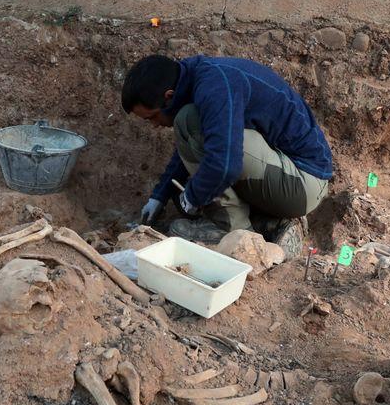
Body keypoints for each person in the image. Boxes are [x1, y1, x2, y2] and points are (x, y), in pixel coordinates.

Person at [122, 54, 334, 256]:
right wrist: (159, 196)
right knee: (197, 130)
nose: (156, 124)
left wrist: (191, 197)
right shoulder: (195, 76)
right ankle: (270, 224)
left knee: (192, 126)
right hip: (289, 177)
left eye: (152, 117)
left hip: (304, 182)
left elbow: (225, 164)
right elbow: (192, 142)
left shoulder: (215, 87)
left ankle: (235, 231)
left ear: (169, 97)